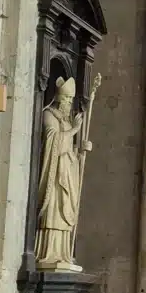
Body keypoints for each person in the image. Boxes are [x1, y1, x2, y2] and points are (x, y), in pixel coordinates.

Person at [35, 74, 97, 270]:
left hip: (67, 173)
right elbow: (53, 144)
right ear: (58, 98)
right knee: (54, 210)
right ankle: (48, 252)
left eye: (71, 99)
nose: (69, 103)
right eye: (67, 99)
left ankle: (63, 253)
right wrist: (74, 131)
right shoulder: (48, 115)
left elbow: (68, 151)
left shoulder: (68, 121)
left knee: (64, 212)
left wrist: (81, 151)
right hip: (54, 177)